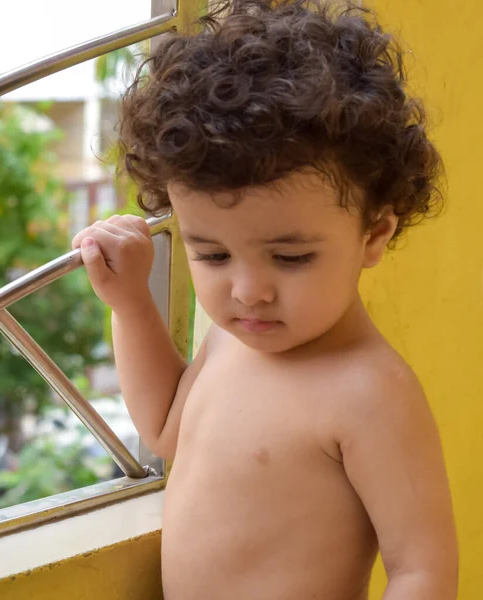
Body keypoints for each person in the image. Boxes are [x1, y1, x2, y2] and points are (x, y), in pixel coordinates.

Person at [72, 1, 458, 598]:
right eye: (213, 255)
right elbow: (169, 430)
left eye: (291, 256)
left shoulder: (369, 392)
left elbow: (421, 570)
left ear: (373, 233)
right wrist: (131, 305)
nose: (248, 290)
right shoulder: (232, 336)